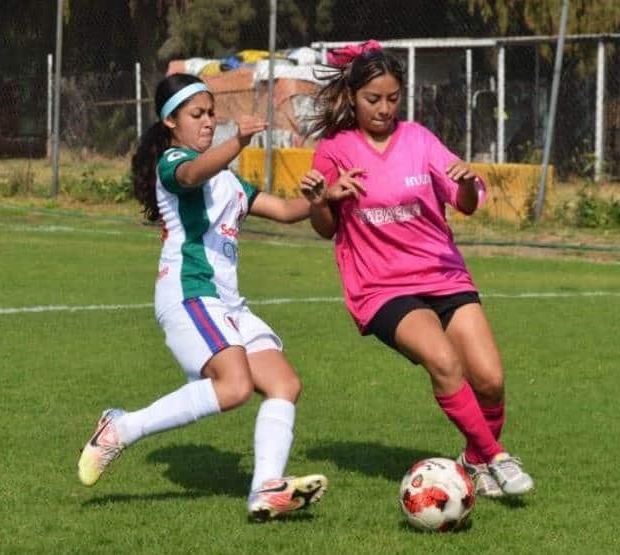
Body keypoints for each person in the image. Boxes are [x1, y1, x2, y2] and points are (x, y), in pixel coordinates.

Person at [77, 73, 327, 521]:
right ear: (170, 121)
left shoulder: (229, 182)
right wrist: (238, 143)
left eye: (212, 114)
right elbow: (192, 173)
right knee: (233, 388)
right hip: (190, 292)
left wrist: (325, 196)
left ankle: (264, 490)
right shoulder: (173, 163)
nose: (209, 122)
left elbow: (288, 211)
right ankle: (122, 427)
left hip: (227, 303)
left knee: (285, 385)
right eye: (198, 114)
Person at [299, 40, 533, 497]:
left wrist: (465, 186)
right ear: (351, 97)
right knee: (444, 362)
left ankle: (473, 459)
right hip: (381, 287)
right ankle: (497, 459)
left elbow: (465, 203)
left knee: (490, 379)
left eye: (392, 98)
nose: (384, 109)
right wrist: (323, 199)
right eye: (373, 100)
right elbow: (325, 229)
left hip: (444, 275)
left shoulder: (419, 139)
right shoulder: (335, 150)